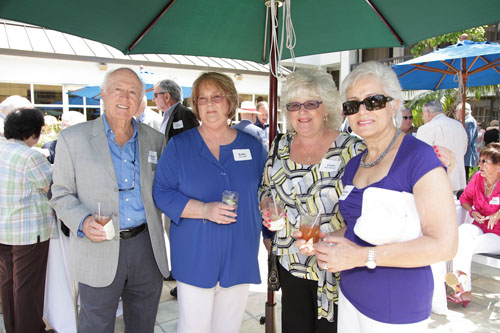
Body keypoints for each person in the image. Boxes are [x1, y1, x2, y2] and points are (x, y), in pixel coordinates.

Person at [312, 61, 458, 332]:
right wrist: (325, 240)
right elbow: (358, 227)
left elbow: (444, 245)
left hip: (397, 304)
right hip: (351, 295)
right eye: (353, 105)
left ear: (394, 104)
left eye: (374, 101)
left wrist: (361, 257)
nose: (362, 111)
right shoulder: (355, 164)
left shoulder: (419, 157)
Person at [50, 68, 169, 332]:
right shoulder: (73, 139)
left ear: (141, 100)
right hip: (97, 246)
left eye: (133, 92)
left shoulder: (156, 140)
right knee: (95, 324)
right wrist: (82, 220)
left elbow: (166, 192)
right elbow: (60, 193)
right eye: (118, 90)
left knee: (142, 324)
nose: (125, 98)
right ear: (103, 94)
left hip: (146, 246)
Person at [153, 72, 268, 333]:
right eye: (202, 99)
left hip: (239, 251)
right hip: (195, 252)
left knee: (228, 326)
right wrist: (204, 209)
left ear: (230, 102)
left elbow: (265, 191)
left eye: (217, 97)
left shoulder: (251, 147)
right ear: (195, 105)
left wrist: (270, 210)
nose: (210, 104)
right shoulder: (179, 146)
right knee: (193, 326)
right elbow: (162, 192)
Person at [259, 69, 365, 332]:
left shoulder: (352, 148)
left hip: (337, 265)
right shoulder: (280, 145)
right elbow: (265, 189)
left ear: (326, 107)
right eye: (294, 105)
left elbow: (369, 206)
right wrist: (267, 209)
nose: (302, 112)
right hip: (290, 261)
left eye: (310, 104)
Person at [0, 108, 56, 333]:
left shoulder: (2, 150)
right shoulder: (31, 156)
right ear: (33, 132)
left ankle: (13, 328)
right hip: (28, 232)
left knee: (8, 283)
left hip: (4, 229)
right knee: (27, 288)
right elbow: (52, 187)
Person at [448, 143, 500, 306]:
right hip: (480, 226)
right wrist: (472, 212)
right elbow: (464, 199)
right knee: (462, 232)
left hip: (497, 234)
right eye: (480, 161)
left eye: (486, 162)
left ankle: (462, 289)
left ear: (498, 166)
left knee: (465, 245)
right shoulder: (478, 177)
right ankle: (462, 289)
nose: (480, 165)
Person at [417, 100, 468, 196]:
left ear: (427, 113)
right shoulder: (459, 126)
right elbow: (464, 150)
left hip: (437, 184)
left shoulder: (426, 128)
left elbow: (421, 158)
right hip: (459, 182)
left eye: (423, 114)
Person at [458, 102, 479, 179]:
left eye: (457, 111)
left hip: (467, 155)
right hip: (465, 154)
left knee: (465, 178)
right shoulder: (465, 121)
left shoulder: (469, 122)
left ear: (461, 111)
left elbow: (468, 139)